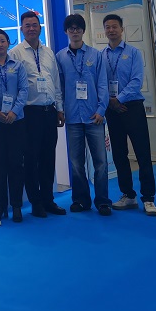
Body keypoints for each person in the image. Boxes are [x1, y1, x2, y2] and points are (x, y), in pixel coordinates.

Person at [9, 11, 66, 218]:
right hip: (29, 113)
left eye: (35, 25)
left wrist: (60, 108)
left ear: (40, 28)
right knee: (31, 159)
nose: (31, 28)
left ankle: (48, 199)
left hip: (49, 111)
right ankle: (35, 202)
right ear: (21, 29)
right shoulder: (15, 53)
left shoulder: (49, 53)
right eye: (27, 25)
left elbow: (56, 83)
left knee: (48, 157)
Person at [103, 14, 156, 216]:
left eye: (114, 26)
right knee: (119, 154)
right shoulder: (102, 55)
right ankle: (128, 195)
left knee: (142, 153)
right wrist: (110, 101)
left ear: (122, 29)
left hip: (132, 107)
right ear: (105, 30)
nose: (111, 30)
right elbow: (100, 82)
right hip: (112, 110)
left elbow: (137, 80)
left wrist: (119, 99)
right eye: (108, 27)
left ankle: (148, 198)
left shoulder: (133, 53)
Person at [56, 13, 111, 216]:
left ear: (83, 31)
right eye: (71, 28)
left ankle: (103, 201)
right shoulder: (60, 57)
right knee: (77, 163)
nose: (75, 31)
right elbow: (59, 87)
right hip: (72, 118)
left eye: (78, 28)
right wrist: (60, 109)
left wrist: (101, 110)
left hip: (93, 116)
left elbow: (102, 84)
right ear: (66, 31)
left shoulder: (96, 55)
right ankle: (80, 200)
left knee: (100, 162)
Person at [0, 29, 29, 222]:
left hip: (16, 121)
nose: (0, 44)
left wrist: (14, 111)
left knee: (16, 164)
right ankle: (0, 205)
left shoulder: (18, 65)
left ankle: (17, 205)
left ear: (8, 43)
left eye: (3, 41)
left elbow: (24, 90)